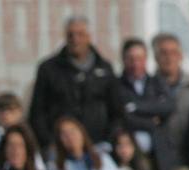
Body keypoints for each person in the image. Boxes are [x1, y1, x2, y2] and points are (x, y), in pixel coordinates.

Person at [29, 16, 122, 148]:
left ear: (89, 37)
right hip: (60, 148)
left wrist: (109, 140)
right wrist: (48, 142)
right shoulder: (48, 69)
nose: (75, 40)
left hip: (98, 144)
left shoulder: (105, 69)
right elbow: (37, 112)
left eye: (80, 34)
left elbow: (117, 111)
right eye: (70, 35)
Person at [150, 33, 189, 170]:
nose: (169, 58)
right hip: (157, 167)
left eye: (173, 52)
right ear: (156, 57)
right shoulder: (147, 88)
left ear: (181, 56)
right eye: (163, 53)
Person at [118, 38, 172, 163]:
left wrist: (136, 107)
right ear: (124, 60)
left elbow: (168, 106)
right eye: (131, 59)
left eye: (139, 59)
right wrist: (152, 121)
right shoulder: (117, 86)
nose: (136, 64)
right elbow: (124, 116)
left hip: (160, 155)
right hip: (133, 156)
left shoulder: (157, 82)